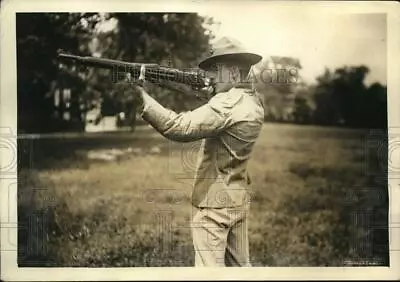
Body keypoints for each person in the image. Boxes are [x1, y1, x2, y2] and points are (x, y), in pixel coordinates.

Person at [132, 37, 264, 267]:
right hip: (237, 199)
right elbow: (219, 110)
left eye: (216, 70)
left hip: (213, 205)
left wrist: (142, 95)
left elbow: (177, 127)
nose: (209, 76)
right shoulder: (254, 102)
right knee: (240, 269)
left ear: (233, 74)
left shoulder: (225, 104)